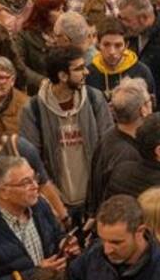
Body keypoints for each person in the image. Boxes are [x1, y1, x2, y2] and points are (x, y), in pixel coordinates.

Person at [20, 46, 113, 221]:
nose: (86, 72)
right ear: (62, 76)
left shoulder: (95, 99)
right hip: (57, 202)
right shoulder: (33, 109)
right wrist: (52, 202)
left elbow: (108, 146)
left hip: (94, 200)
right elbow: (32, 161)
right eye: (78, 68)